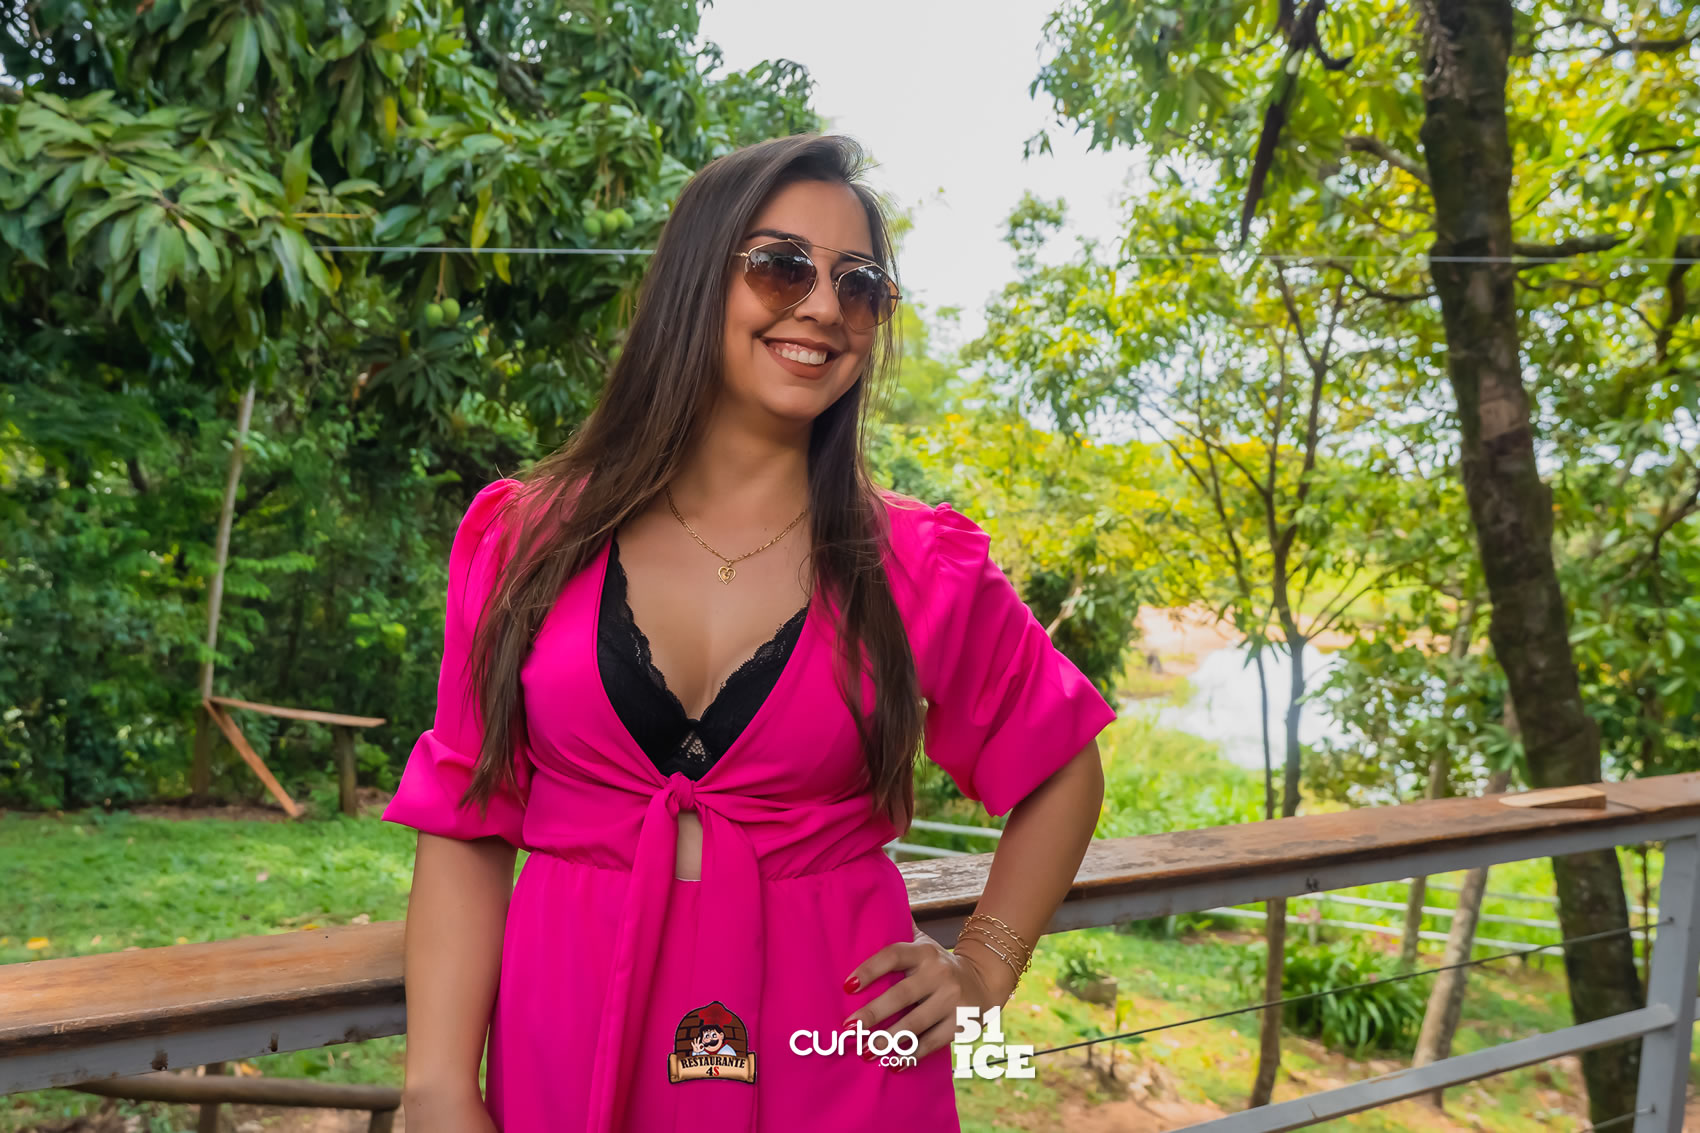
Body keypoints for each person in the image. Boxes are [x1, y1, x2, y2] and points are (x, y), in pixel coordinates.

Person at [384, 132, 1116, 1133]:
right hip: (573, 1037)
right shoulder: (526, 540)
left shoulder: (915, 563)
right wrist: (435, 1084)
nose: (822, 307)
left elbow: (1062, 765)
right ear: (697, 278)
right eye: (780, 265)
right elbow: (469, 813)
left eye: (859, 284)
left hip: (840, 1062)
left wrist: (985, 963)